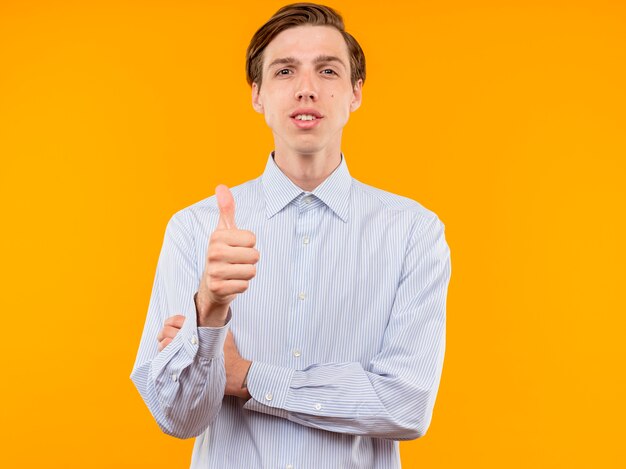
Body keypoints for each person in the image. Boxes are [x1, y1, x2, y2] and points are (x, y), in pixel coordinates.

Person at [131, 3, 451, 468]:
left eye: (327, 70)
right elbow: (178, 418)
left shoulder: (413, 233)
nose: (306, 89)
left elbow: (406, 405)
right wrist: (210, 311)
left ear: (355, 93)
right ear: (257, 94)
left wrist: (247, 377)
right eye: (284, 71)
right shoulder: (195, 229)